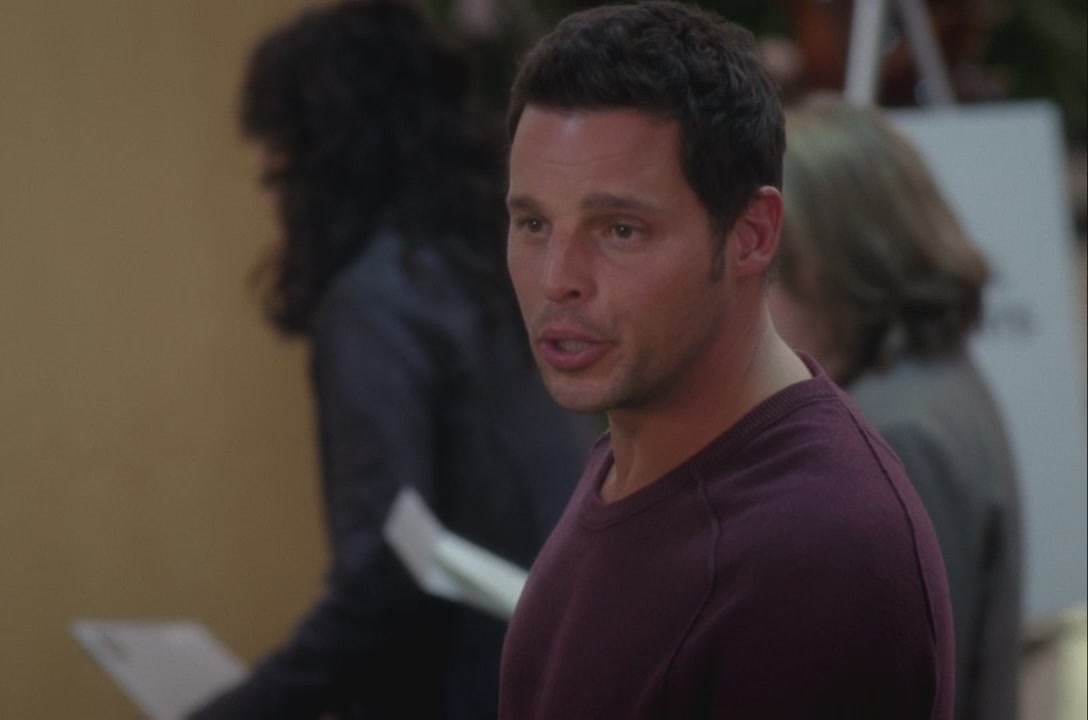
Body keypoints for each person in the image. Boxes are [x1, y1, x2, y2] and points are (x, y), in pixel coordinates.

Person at [497, 3, 955, 718]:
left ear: (752, 235)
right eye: (533, 224)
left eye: (620, 229)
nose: (558, 278)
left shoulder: (817, 554)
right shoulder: (640, 444)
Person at [188, 2, 594, 718]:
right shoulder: (490, 272)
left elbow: (385, 576)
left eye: (278, 145)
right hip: (565, 664)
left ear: (323, 154)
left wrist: (235, 709)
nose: (265, 171)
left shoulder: (376, 304)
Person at [768, 95, 1023, 720]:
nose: (753, 302)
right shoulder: (929, 383)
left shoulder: (893, 433)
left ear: (838, 265)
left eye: (772, 266)